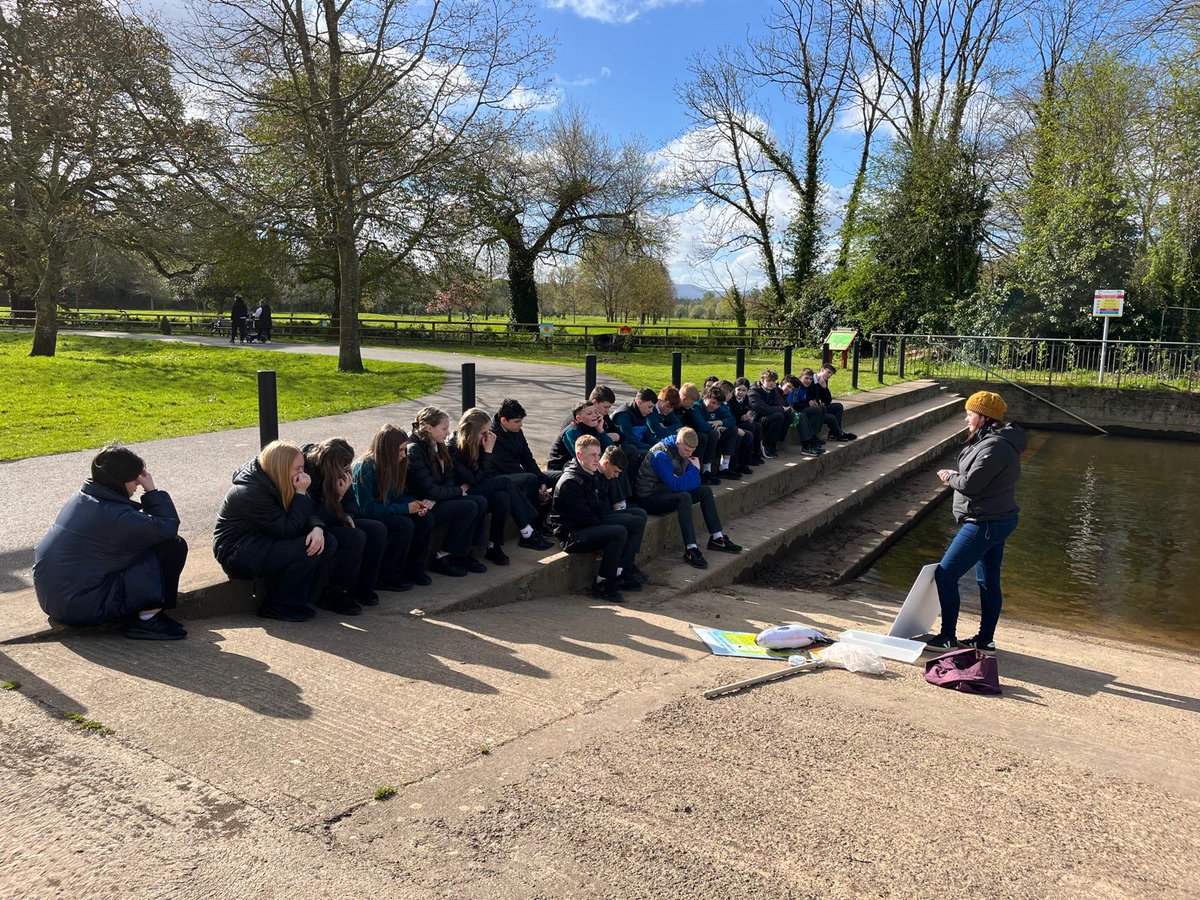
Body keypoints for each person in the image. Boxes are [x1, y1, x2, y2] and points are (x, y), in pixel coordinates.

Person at [33, 443, 188, 640]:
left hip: (54, 599)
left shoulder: (83, 498)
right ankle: (148, 619)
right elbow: (167, 528)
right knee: (172, 546)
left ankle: (146, 610)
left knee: (146, 544)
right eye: (135, 478)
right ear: (119, 481)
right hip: (81, 607)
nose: (138, 483)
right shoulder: (115, 515)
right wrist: (152, 491)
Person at [927, 391, 1026, 652]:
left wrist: (950, 477)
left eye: (970, 414)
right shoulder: (994, 441)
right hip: (997, 518)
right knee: (988, 581)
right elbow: (979, 477)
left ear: (983, 417)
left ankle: (947, 636)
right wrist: (960, 475)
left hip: (985, 521)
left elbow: (972, 484)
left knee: (945, 575)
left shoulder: (995, 446)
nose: (967, 419)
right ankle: (985, 641)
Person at [213, 440, 336, 621]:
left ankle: (298, 599)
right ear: (281, 467)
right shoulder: (250, 492)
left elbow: (306, 512)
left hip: (265, 540)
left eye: (303, 468)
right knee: (307, 547)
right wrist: (300, 494)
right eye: (298, 468)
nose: (303, 474)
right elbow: (289, 530)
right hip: (239, 552)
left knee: (326, 541)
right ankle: (278, 605)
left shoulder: (280, 478)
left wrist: (317, 527)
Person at [449, 408, 554, 566]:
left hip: (474, 486)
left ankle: (494, 546)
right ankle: (527, 530)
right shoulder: (454, 446)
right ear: (473, 431)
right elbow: (475, 479)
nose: (488, 435)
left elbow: (484, 476)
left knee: (503, 498)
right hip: (461, 492)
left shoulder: (479, 443)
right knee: (505, 482)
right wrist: (488, 452)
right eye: (484, 431)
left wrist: (485, 454)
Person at [633, 427, 743, 569]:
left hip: (665, 491)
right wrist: (694, 469)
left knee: (705, 491)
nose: (689, 454)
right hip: (649, 497)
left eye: (692, 451)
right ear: (678, 442)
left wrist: (685, 478)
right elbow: (676, 485)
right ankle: (691, 548)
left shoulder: (681, 452)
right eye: (686, 450)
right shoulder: (660, 455)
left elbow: (693, 483)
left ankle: (717, 537)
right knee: (684, 497)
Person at [548, 436, 635, 602]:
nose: (597, 459)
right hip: (572, 536)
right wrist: (602, 533)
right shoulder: (571, 482)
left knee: (629, 522)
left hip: (585, 527)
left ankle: (621, 571)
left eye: (598, 454)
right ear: (580, 456)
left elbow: (596, 509)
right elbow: (584, 518)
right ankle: (602, 584)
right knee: (618, 532)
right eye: (592, 455)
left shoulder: (590, 473)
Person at [405, 406, 489, 577]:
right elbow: (428, 488)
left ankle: (462, 553)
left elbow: (448, 476)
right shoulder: (415, 449)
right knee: (470, 507)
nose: (448, 432)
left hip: (435, 499)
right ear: (429, 428)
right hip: (422, 503)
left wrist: (439, 495)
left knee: (479, 501)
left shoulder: (438, 445)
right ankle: (442, 556)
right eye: (444, 428)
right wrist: (455, 492)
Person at [304, 438, 386, 611]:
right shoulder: (308, 473)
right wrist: (336, 499)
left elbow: (351, 504)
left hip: (334, 516)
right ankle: (335, 594)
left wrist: (348, 514)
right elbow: (310, 515)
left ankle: (363, 587)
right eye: (344, 466)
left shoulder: (341, 472)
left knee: (377, 529)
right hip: (316, 525)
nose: (347, 470)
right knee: (355, 538)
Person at [352, 424, 435, 590]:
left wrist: (414, 503)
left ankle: (415, 568)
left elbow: (396, 496)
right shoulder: (366, 468)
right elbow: (367, 509)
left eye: (404, 450)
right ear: (387, 450)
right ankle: (388, 576)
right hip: (367, 516)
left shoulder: (394, 464)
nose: (404, 455)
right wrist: (405, 508)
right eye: (400, 450)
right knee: (404, 525)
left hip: (387, 509)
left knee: (425, 518)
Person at [489, 398, 557, 525]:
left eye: (521, 421)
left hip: (520, 473)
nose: (521, 425)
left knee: (560, 477)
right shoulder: (493, 436)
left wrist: (541, 480)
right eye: (517, 421)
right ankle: (534, 526)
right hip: (502, 476)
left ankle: (550, 519)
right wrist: (536, 483)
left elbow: (527, 458)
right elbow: (509, 466)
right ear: (503, 420)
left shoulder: (516, 430)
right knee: (530, 480)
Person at [781, 373, 826, 456]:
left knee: (803, 415)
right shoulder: (776, 391)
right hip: (779, 416)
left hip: (788, 413)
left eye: (792, 389)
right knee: (801, 415)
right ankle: (807, 446)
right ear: (783, 382)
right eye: (788, 386)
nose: (789, 390)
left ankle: (809, 444)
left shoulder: (788, 393)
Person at [748, 369, 789, 458]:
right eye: (769, 380)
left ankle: (776, 442)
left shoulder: (773, 390)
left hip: (767, 416)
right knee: (779, 415)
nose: (771, 383)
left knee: (787, 414)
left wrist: (776, 391)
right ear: (762, 380)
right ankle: (767, 445)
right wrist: (781, 409)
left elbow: (778, 404)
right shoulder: (754, 390)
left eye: (773, 381)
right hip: (756, 418)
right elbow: (764, 409)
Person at [726, 379, 764, 466]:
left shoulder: (746, 398)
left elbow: (748, 409)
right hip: (736, 423)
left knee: (758, 425)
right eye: (738, 389)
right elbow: (731, 415)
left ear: (748, 391)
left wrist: (749, 415)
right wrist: (741, 418)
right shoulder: (731, 400)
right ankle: (747, 458)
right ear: (734, 389)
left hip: (743, 421)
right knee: (751, 427)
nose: (741, 392)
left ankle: (756, 454)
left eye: (744, 390)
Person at [613, 388, 658, 457]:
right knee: (651, 455)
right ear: (639, 403)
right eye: (649, 407)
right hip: (623, 450)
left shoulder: (641, 412)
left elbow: (646, 435)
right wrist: (653, 449)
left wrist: (660, 444)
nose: (651, 411)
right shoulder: (624, 416)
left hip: (637, 445)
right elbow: (629, 440)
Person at [816, 365, 856, 441]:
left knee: (838, 406)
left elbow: (827, 401)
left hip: (820, 407)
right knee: (831, 416)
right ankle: (838, 433)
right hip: (814, 408)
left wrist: (824, 388)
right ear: (822, 370)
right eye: (828, 372)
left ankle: (834, 433)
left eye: (831, 374)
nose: (830, 375)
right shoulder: (812, 380)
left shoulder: (822, 382)